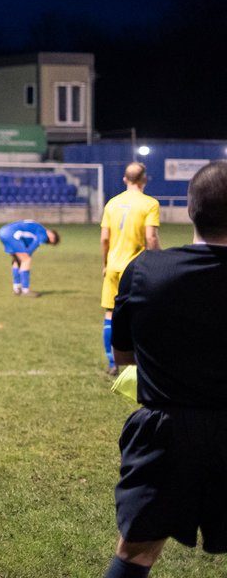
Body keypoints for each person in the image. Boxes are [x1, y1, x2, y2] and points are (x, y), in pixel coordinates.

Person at [104, 160, 227, 578]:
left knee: (135, 552)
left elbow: (123, 358)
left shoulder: (145, 271)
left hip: (165, 431)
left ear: (190, 210)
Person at [99, 163, 160, 375]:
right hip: (136, 269)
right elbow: (151, 237)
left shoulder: (112, 204)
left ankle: (112, 363)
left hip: (114, 266)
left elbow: (104, 239)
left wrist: (105, 264)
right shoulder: (149, 204)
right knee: (141, 313)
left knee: (110, 313)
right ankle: (140, 362)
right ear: (144, 180)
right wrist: (157, 262)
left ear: (125, 180)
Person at [0, 220, 60, 297]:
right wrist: (27, 255)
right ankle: (25, 290)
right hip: (12, 235)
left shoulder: (37, 227)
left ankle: (17, 288)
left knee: (17, 260)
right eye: (50, 240)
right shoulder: (43, 233)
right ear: (51, 234)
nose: (47, 241)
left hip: (3, 231)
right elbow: (33, 245)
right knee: (26, 260)